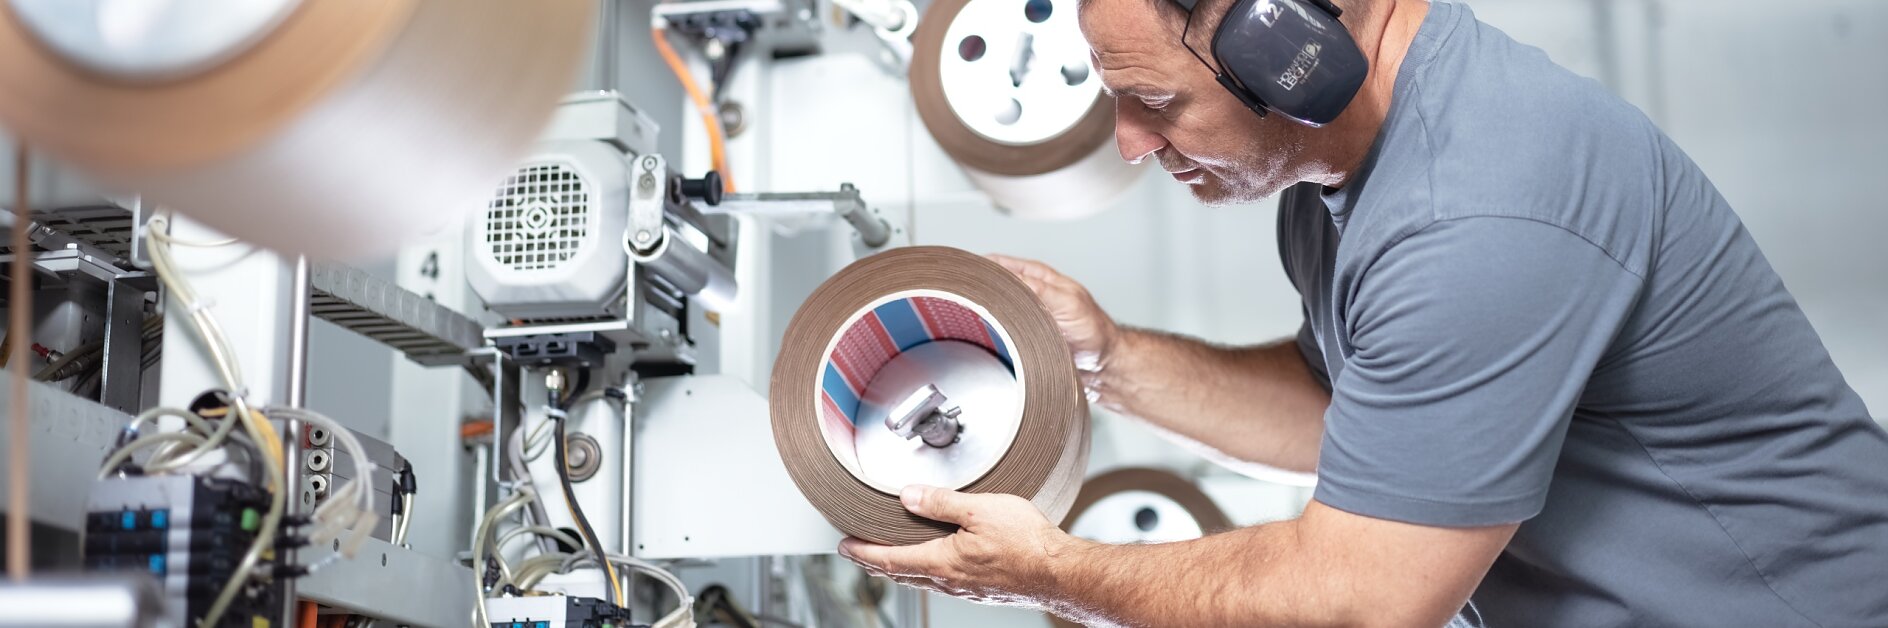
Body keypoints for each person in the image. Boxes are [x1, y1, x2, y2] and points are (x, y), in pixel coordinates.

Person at [835, 0, 1888, 625]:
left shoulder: (1480, 202)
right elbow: (1357, 413)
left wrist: (1048, 572)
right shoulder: (1339, 176)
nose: (1128, 144)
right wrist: (1102, 358)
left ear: (1289, 47)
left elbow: (1361, 597)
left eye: (1154, 102)